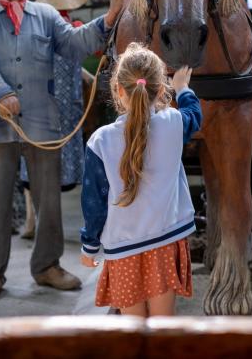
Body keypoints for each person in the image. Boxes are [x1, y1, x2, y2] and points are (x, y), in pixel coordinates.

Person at [0, 0, 131, 300]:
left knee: (49, 199)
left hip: (42, 122)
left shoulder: (46, 15)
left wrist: (109, 18)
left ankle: (47, 266)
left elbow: (74, 43)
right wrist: (0, 93)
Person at [79, 43, 202, 316]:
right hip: (165, 243)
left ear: (118, 91)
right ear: (160, 91)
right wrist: (182, 88)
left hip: (123, 249)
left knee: (133, 333)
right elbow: (195, 115)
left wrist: (90, 246)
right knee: (161, 329)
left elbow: (93, 202)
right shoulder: (173, 123)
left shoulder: (100, 141)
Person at [19, 0, 97, 239]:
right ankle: (79, 224)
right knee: (66, 165)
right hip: (63, 109)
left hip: (41, 107)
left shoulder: (37, 25)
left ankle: (32, 220)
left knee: (35, 160)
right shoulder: (71, 27)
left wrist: (86, 75)